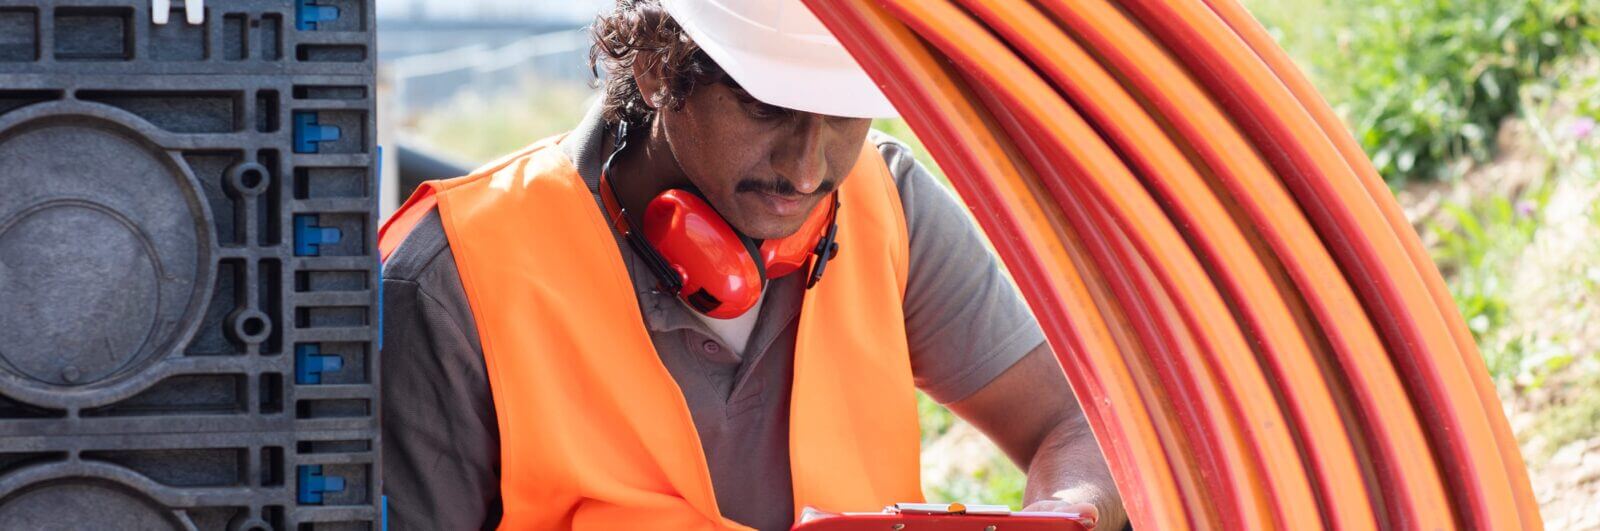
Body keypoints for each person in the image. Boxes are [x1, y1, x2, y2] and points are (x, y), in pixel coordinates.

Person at [378, 0, 1125, 529]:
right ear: (655, 68)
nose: (807, 169)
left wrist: (1062, 511)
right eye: (767, 107)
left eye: (841, 115)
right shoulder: (454, 279)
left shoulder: (886, 205)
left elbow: (1084, 423)